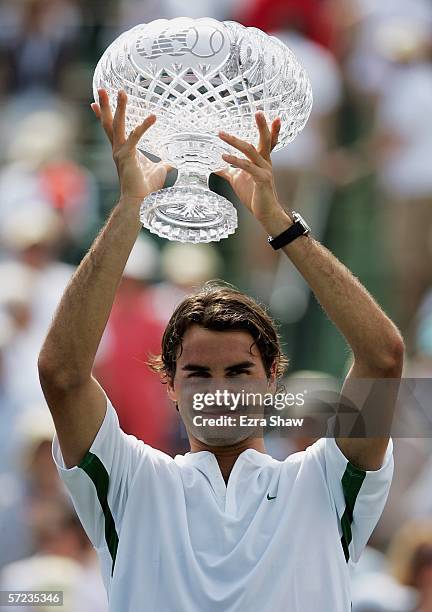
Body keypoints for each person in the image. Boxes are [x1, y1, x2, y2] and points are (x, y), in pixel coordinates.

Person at [38, 88, 404, 612]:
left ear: (272, 377)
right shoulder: (132, 482)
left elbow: (383, 358)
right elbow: (61, 374)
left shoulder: (325, 482)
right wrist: (128, 211)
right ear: (169, 382)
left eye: (238, 371)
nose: (220, 390)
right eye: (199, 374)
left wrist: (279, 223)